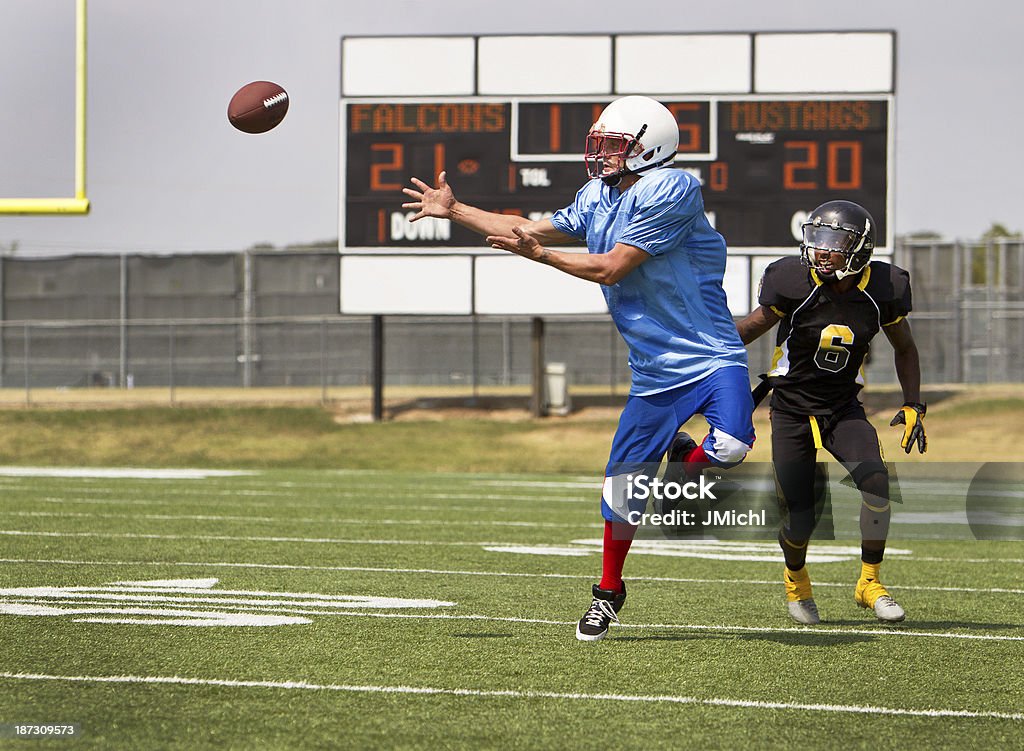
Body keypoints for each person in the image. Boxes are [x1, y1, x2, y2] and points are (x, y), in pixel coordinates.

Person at [402, 95, 755, 641]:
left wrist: (541, 259)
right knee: (622, 493)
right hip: (654, 371)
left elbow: (613, 267)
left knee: (730, 448)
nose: (604, 155)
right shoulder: (599, 194)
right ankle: (608, 593)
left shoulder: (672, 188)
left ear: (650, 148)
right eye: (604, 145)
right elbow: (528, 228)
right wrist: (458, 210)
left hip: (710, 353)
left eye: (617, 145)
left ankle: (681, 450)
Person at [735, 200, 927, 625]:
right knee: (801, 513)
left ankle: (869, 583)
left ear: (860, 250)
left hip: (842, 405)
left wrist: (913, 401)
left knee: (877, 482)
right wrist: (705, 366)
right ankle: (796, 581)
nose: (822, 250)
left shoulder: (885, 288)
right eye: (818, 238)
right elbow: (745, 332)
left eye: (834, 242)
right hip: (791, 407)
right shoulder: (792, 281)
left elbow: (906, 348)